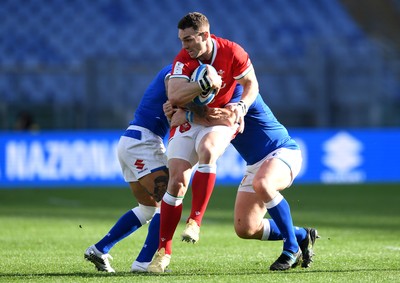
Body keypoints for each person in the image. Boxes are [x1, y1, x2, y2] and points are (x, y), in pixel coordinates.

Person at [147, 11, 260, 273]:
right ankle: (163, 253)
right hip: (188, 120)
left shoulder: (233, 52)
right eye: (181, 40)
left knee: (208, 150)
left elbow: (251, 83)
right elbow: (174, 94)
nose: (184, 46)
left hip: (220, 120)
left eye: (188, 39)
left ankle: (195, 221)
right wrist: (203, 84)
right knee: (176, 181)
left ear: (205, 35)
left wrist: (241, 107)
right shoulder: (183, 58)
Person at [166, 90, 319, 271]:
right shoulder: (211, 94)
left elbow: (228, 118)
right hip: (255, 164)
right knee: (245, 228)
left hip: (282, 152)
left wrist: (187, 115)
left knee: (263, 184)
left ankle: (291, 248)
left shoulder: (241, 91)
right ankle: (301, 235)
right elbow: (203, 113)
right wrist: (173, 107)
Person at [83, 64, 172, 273]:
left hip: (132, 139)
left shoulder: (179, 71)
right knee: (169, 201)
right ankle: (143, 263)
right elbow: (172, 88)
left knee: (148, 208)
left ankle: (99, 249)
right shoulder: (178, 70)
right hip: (144, 142)